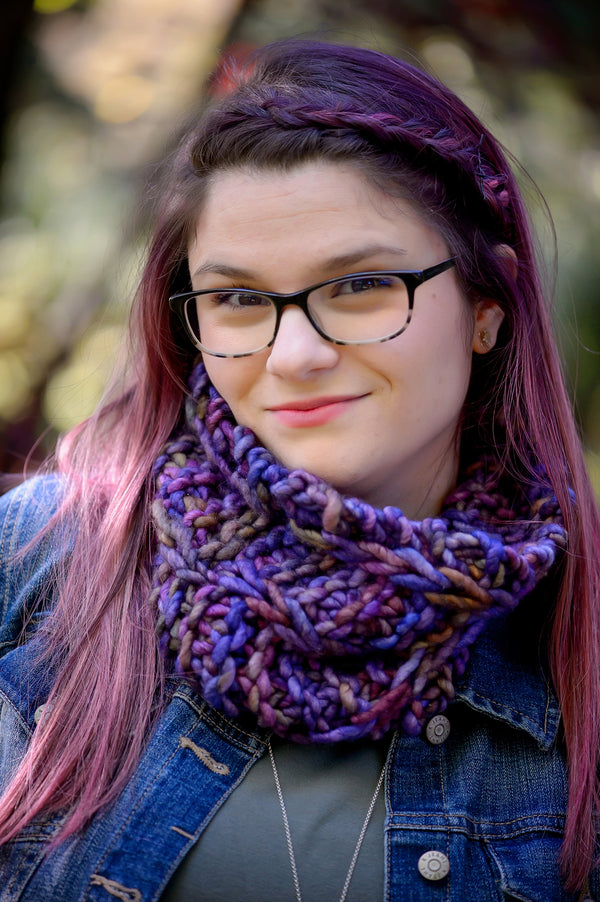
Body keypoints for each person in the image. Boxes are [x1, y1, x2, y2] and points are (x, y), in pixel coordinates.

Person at [0, 38, 598, 902]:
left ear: (487, 305)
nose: (295, 354)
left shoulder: (577, 640)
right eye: (240, 300)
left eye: (359, 285)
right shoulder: (38, 563)